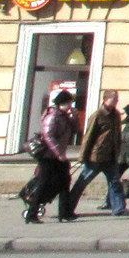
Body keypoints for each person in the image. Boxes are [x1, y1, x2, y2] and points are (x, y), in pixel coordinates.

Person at [24, 90, 79, 224]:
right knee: (43, 183)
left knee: (65, 182)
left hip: (58, 156)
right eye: (69, 103)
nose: (71, 105)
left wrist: (75, 117)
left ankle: (65, 213)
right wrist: (59, 154)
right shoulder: (52, 116)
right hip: (48, 156)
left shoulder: (64, 116)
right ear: (62, 103)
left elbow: (75, 130)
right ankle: (31, 214)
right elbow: (48, 136)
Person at [70, 90, 124, 216]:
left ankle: (119, 209)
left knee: (115, 183)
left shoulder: (116, 115)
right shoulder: (98, 115)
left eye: (117, 99)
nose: (116, 101)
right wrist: (82, 156)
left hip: (111, 156)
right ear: (106, 99)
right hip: (96, 156)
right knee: (82, 183)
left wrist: (118, 151)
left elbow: (118, 135)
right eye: (114, 99)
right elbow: (88, 136)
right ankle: (68, 207)